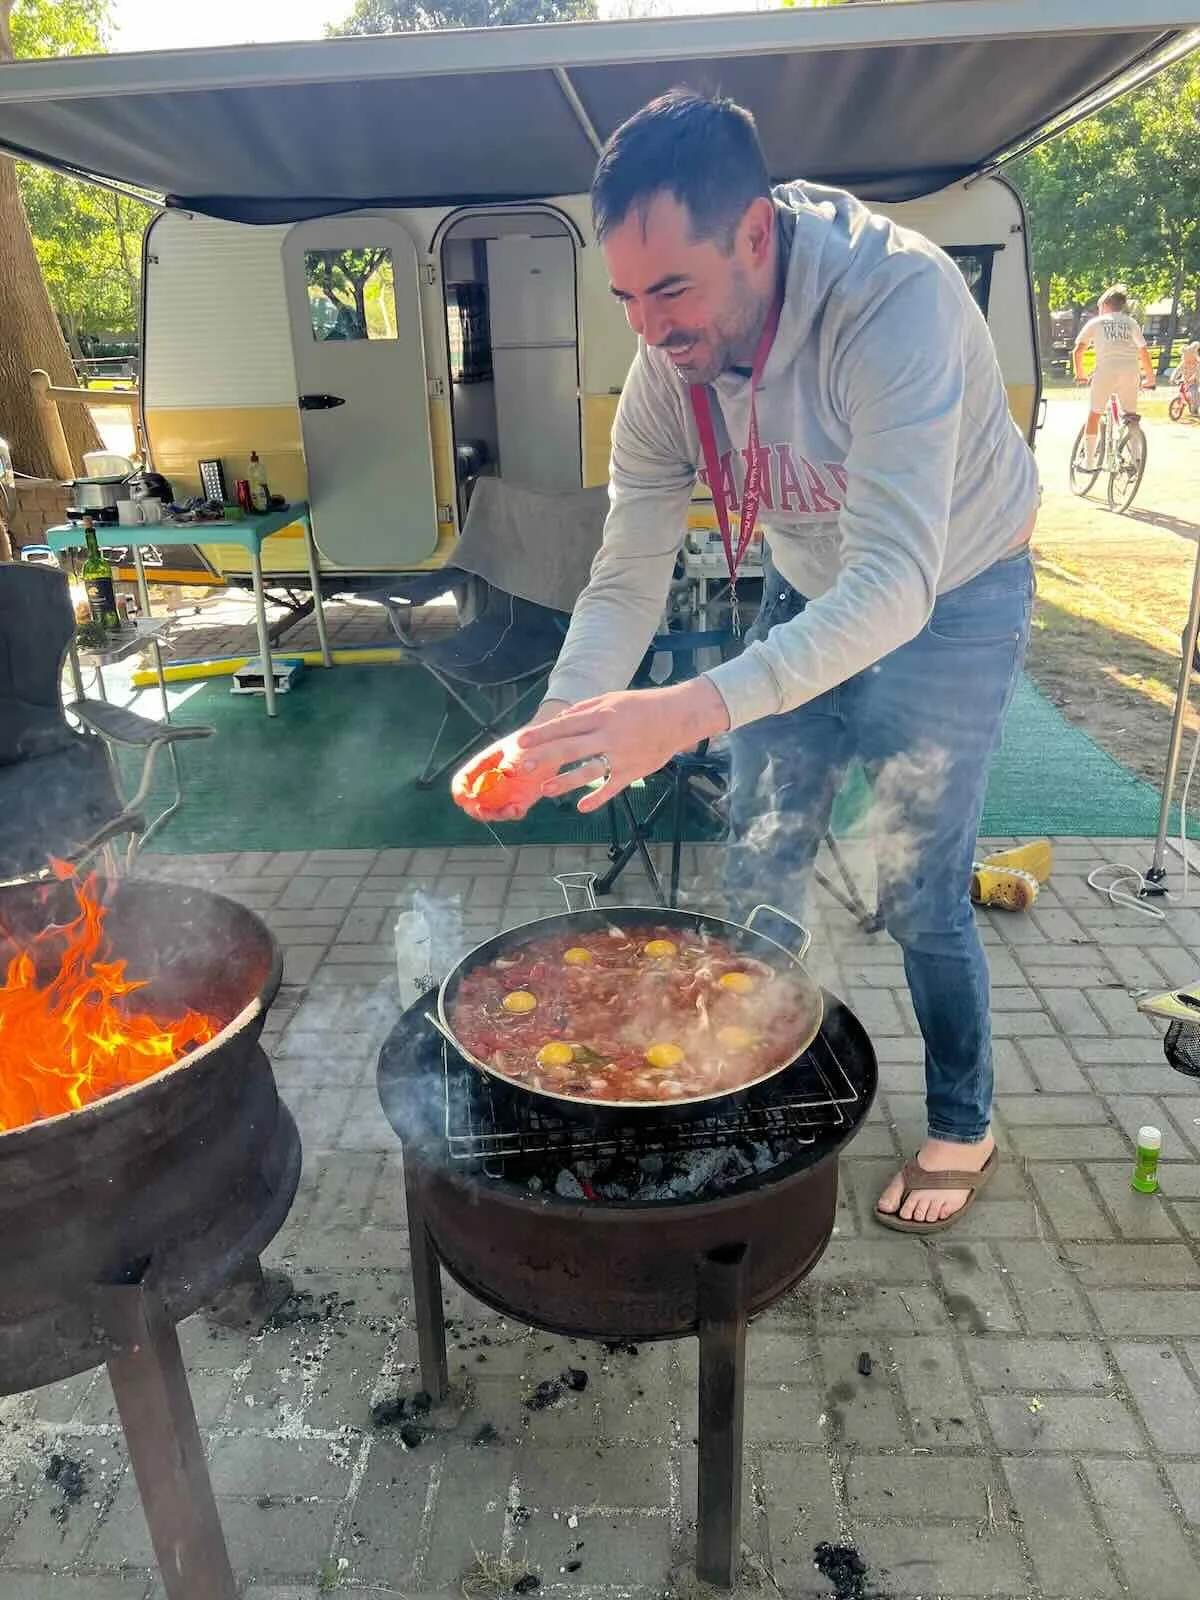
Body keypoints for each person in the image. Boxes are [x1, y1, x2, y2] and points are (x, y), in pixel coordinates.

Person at [454, 89, 1040, 1233]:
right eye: (627, 297)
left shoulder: (895, 302)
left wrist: (683, 712)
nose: (651, 329)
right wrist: (563, 720)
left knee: (920, 888)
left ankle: (965, 1118)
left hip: (955, 592)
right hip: (811, 586)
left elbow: (896, 586)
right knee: (762, 860)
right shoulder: (665, 374)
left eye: (672, 288)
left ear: (758, 233)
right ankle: (746, 1068)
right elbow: (626, 572)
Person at [1072, 287, 1156, 464]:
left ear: (1104, 305)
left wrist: (1080, 374)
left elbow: (1078, 351)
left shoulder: (1097, 322)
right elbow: (1144, 352)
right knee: (1131, 415)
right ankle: (1136, 459)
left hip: (1105, 372)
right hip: (1131, 371)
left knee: (1095, 413)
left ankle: (1088, 461)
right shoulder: (1131, 323)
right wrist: (1150, 378)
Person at [1170, 341, 1200, 415]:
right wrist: (1173, 378)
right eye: (1186, 357)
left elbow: (1198, 372)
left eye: (1190, 357)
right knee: (1182, 391)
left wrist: (1193, 377)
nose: (1188, 359)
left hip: (1195, 382)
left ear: (1194, 356)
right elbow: (1177, 370)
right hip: (1185, 381)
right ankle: (1180, 402)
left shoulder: (1197, 363)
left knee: (1194, 394)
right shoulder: (1183, 363)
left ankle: (1195, 409)